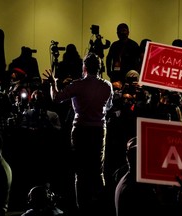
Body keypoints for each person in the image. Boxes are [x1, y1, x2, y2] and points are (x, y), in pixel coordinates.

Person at [43, 52, 114, 216]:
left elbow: (56, 98)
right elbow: (109, 106)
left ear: (84, 67)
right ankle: (100, 206)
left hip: (80, 129)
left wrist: (53, 83)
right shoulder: (107, 86)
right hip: (98, 129)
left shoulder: (77, 85)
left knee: (80, 171)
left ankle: (82, 207)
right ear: (100, 67)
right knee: (98, 171)